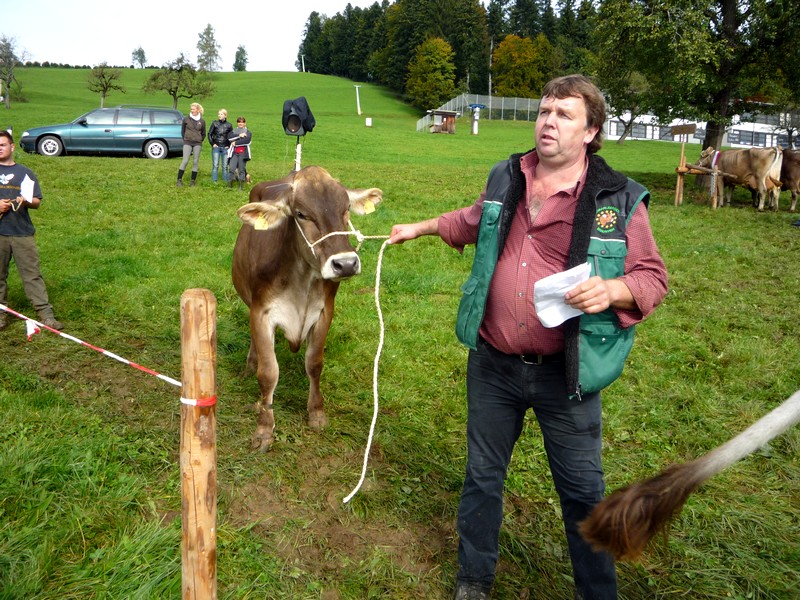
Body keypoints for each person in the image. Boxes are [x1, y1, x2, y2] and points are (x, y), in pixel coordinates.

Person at [389, 75, 668, 600]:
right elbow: (474, 220)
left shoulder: (618, 197)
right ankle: (474, 580)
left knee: (583, 491)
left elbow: (653, 278)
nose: (548, 122)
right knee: (482, 476)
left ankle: (597, 593)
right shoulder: (508, 175)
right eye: (544, 111)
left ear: (591, 131)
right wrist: (418, 228)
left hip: (566, 374)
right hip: (494, 363)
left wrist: (613, 290)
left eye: (564, 114)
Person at [0, 130, 63, 331]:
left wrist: (26, 200)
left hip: (22, 232)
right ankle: (1, 315)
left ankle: (46, 315)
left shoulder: (25, 173)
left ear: (12, 147)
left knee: (32, 275)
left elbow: (36, 202)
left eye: (3, 144)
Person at [176, 102, 206, 187]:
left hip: (197, 143)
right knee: (185, 160)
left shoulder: (202, 121)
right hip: (187, 142)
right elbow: (183, 131)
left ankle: (193, 181)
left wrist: (200, 139)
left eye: (193, 109)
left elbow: (203, 133)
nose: (192, 110)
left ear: (198, 110)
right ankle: (179, 180)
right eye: (191, 109)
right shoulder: (186, 119)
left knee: (195, 161)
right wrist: (186, 139)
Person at [207, 108, 233, 183]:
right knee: (215, 165)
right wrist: (212, 144)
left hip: (225, 148)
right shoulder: (214, 123)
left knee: (225, 166)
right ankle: (214, 180)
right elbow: (209, 134)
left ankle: (225, 181)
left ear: (225, 115)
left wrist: (229, 145)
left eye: (221, 114)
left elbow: (231, 136)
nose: (219, 115)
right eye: (218, 114)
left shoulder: (229, 125)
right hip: (216, 147)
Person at [227, 116, 252, 191]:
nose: (240, 123)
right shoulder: (234, 131)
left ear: (245, 123)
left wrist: (235, 142)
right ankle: (229, 185)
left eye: (242, 122)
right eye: (239, 122)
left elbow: (247, 141)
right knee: (231, 168)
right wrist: (239, 136)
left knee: (241, 169)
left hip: (243, 153)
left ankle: (240, 186)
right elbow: (229, 138)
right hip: (234, 153)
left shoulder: (248, 132)